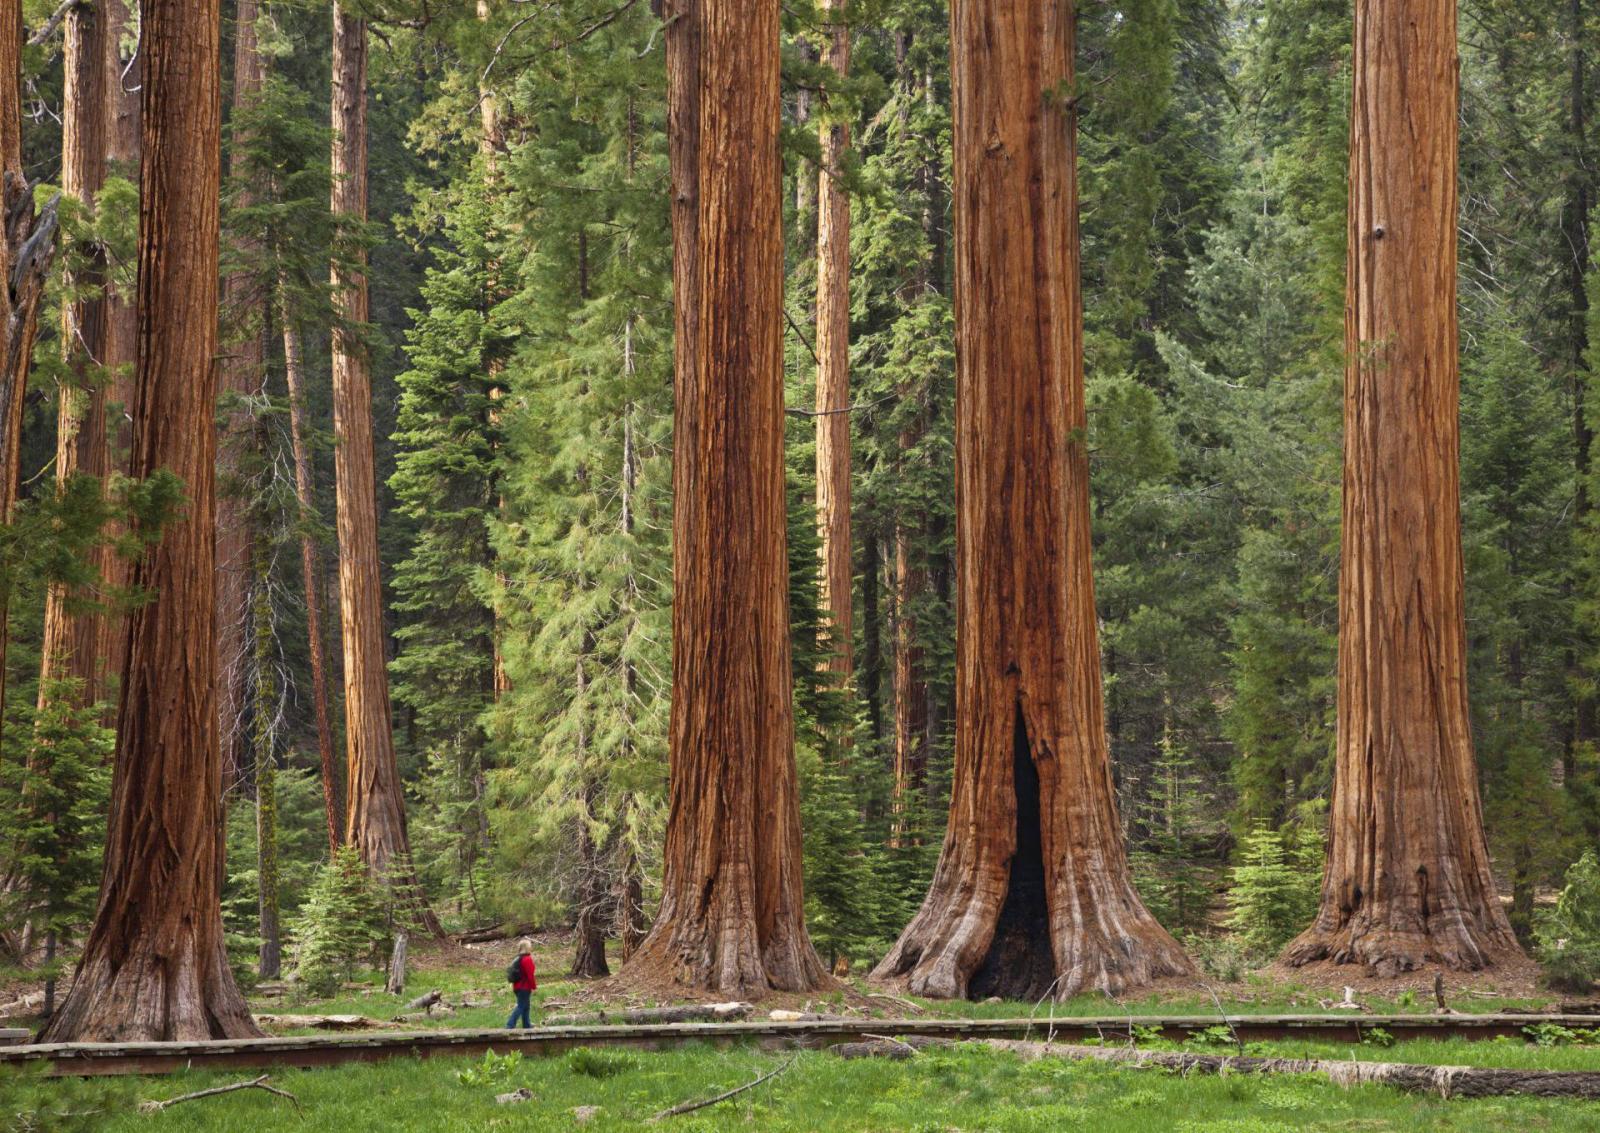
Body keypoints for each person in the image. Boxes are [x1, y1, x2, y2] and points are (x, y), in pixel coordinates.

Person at [506, 938, 537, 1029]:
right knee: (521, 1005)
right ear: (528, 947)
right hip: (524, 987)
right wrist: (534, 987)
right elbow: (530, 975)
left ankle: (526, 1024)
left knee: (526, 1005)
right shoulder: (527, 959)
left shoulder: (518, 958)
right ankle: (510, 1024)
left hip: (517, 986)